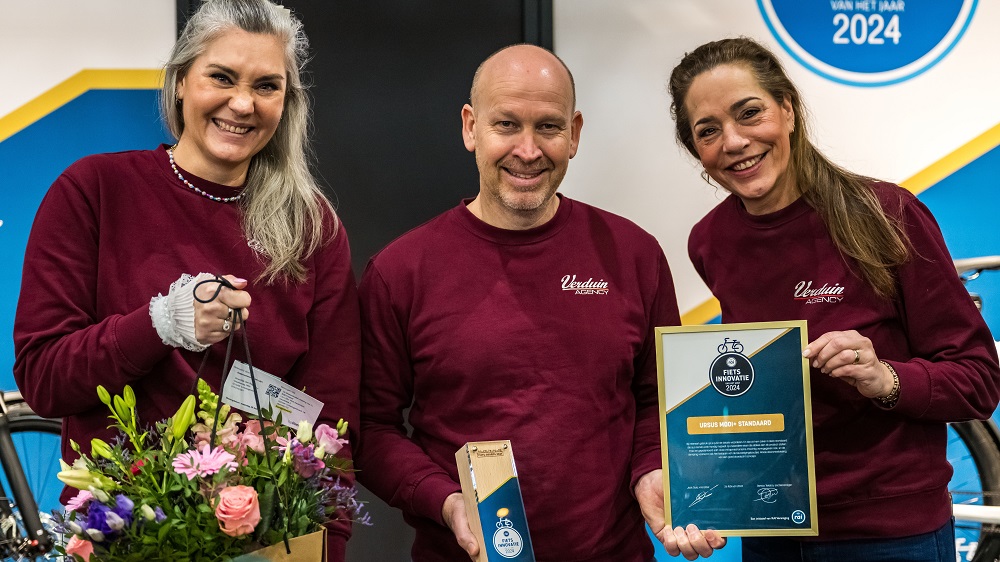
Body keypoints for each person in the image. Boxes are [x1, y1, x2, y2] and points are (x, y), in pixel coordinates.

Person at [12, 1, 360, 559]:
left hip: (265, 545)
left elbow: (332, 424)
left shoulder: (311, 227)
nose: (241, 104)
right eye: (220, 77)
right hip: (122, 537)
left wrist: (323, 549)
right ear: (179, 83)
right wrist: (158, 324)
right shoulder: (93, 192)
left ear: (286, 103)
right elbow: (43, 379)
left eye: (266, 86)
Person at [355, 43, 724, 561]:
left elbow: (659, 403)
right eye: (506, 125)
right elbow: (370, 430)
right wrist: (444, 501)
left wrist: (652, 470)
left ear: (573, 134)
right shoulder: (400, 271)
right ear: (470, 128)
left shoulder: (632, 254)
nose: (528, 150)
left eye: (548, 127)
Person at [668, 37, 1000, 561]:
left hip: (890, 536)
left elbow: (979, 379)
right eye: (707, 131)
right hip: (772, 530)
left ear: (789, 110)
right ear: (697, 151)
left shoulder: (886, 214)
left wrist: (884, 378)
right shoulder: (709, 242)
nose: (733, 142)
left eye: (749, 113)